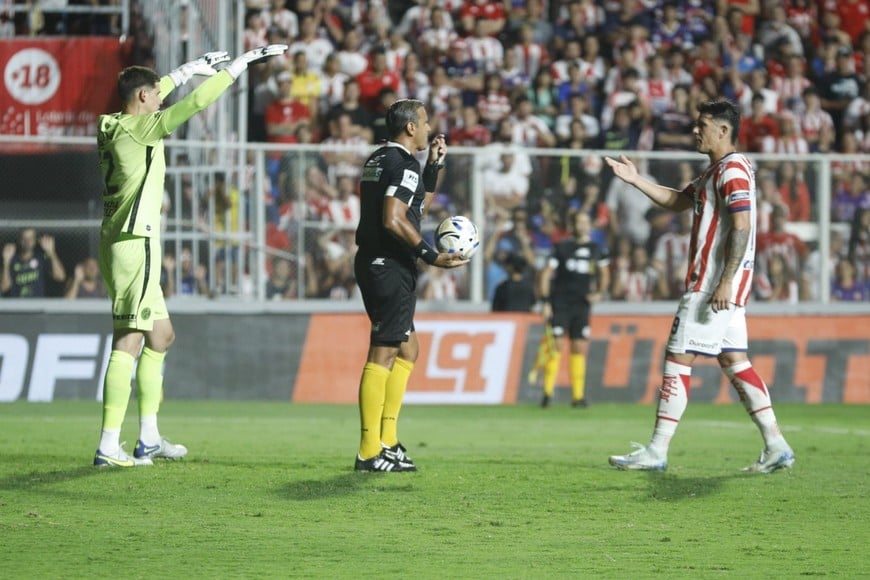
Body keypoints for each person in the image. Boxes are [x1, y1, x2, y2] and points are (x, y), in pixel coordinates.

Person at [94, 44, 289, 468]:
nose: (161, 100)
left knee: (161, 336)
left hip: (117, 240)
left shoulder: (109, 124)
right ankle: (108, 444)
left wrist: (182, 72)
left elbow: (158, 92)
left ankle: (148, 438)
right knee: (129, 338)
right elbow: (196, 104)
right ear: (143, 96)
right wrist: (235, 69)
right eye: (156, 95)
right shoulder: (144, 129)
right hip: (135, 241)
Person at [604, 100, 795, 474]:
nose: (695, 130)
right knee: (735, 361)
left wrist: (724, 280)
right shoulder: (716, 171)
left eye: (702, 124)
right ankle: (777, 446)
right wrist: (636, 179)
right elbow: (678, 201)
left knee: (678, 358)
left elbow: (742, 226)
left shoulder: (732, 170)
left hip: (711, 286)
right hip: (724, 288)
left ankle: (657, 450)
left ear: (723, 130)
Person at [353, 98, 467, 473]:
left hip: (376, 262)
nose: (430, 128)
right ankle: (369, 451)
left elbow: (414, 208)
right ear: (411, 127)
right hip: (388, 265)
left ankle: (388, 441)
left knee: (408, 350)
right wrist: (430, 255)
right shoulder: (402, 164)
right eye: (425, 122)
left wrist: (434, 166)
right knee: (383, 354)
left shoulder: (379, 159)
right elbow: (393, 218)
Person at [537, 211, 609, 408]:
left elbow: (604, 272)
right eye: (579, 222)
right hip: (560, 302)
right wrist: (545, 301)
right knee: (557, 345)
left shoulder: (596, 249)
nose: (583, 226)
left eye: (586, 222)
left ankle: (578, 396)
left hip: (582, 304)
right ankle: (547, 393)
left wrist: (600, 293)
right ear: (572, 225)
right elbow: (546, 273)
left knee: (579, 347)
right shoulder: (562, 247)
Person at [1, 228, 66, 297]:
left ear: (36, 240)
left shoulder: (41, 257)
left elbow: (60, 276)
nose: (27, 241)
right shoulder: (12, 259)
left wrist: (51, 252)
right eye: (24, 238)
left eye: (31, 238)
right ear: (19, 240)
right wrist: (6, 262)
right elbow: (3, 287)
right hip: (17, 303)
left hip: (38, 303)